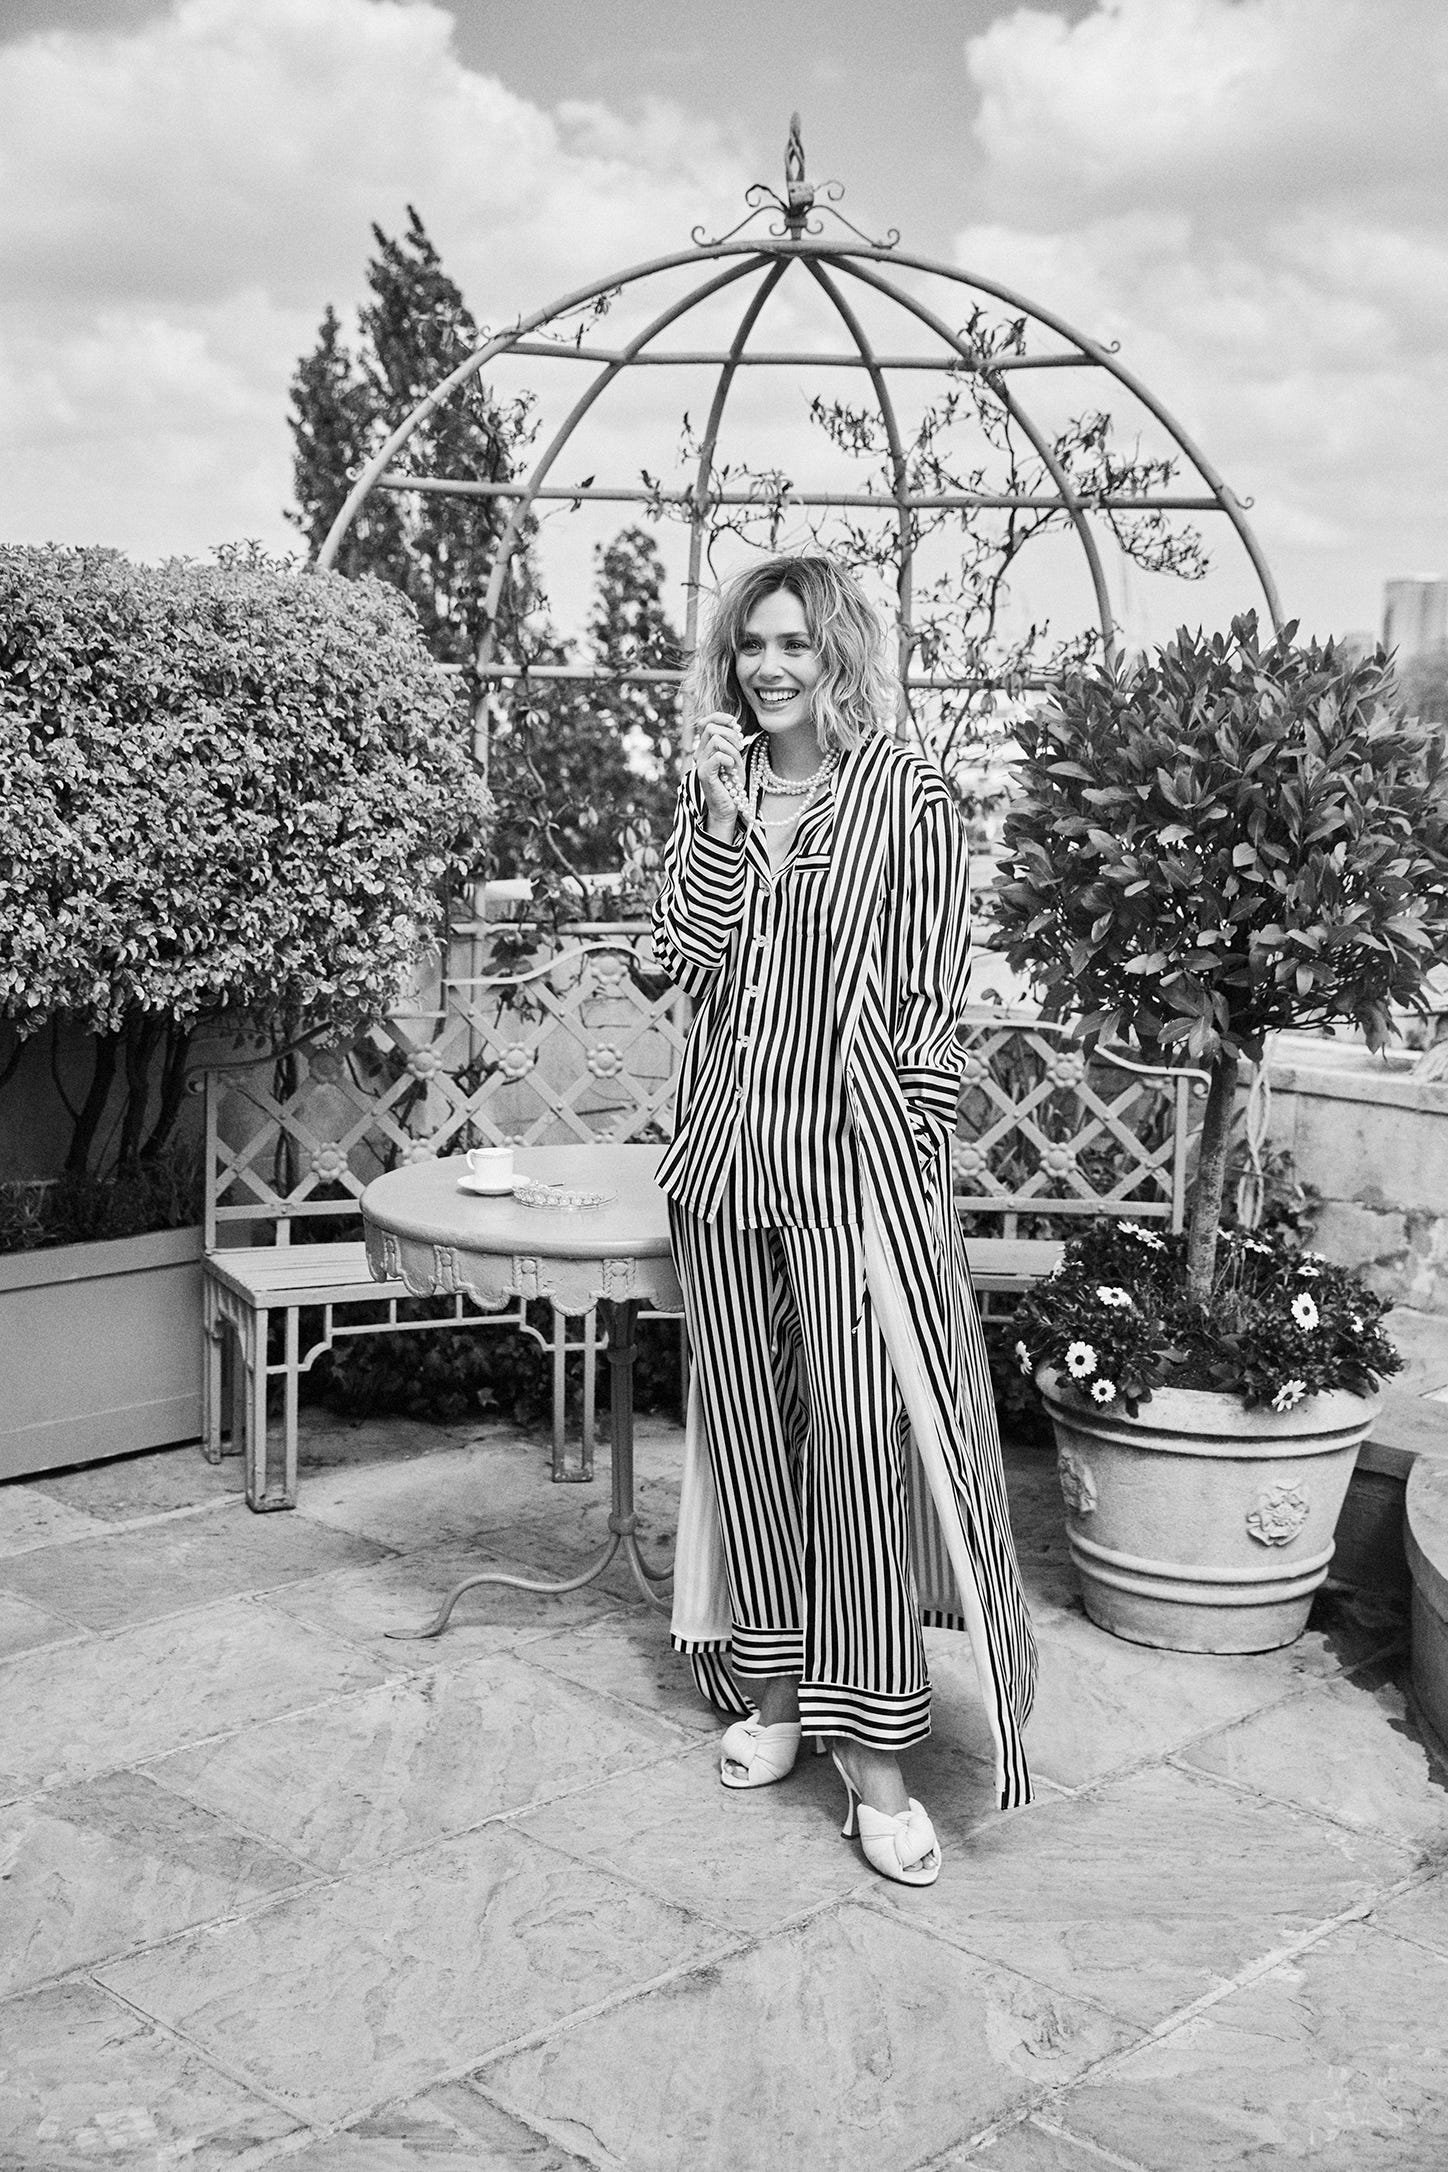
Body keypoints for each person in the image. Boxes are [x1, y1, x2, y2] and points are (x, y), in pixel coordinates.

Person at [650, 553, 1036, 1888]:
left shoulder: (906, 795)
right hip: (724, 1166)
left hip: (849, 1169)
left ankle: (874, 1754)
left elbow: (933, 994)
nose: (768, 668)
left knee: (861, 1465)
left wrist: (905, 1143)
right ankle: (772, 1694)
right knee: (749, 1444)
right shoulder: (723, 789)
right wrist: (714, 817)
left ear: (839, 654)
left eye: (794, 644)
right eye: (751, 645)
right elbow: (684, 959)